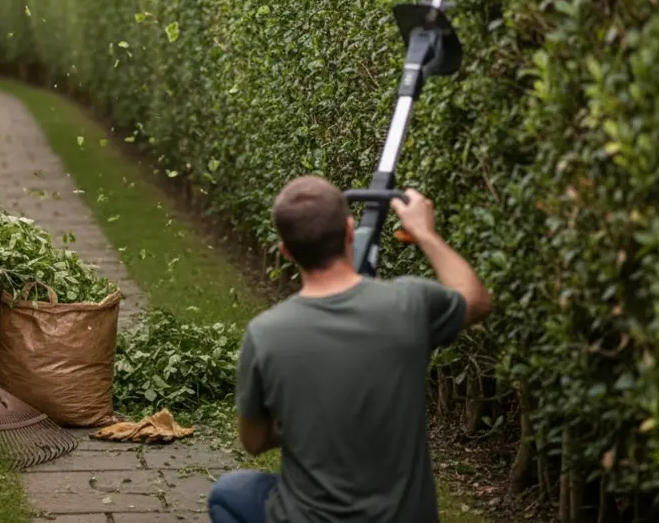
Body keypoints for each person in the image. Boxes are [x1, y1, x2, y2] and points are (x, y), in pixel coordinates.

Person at [207, 175, 492, 523]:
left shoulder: (264, 334)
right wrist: (424, 233)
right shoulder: (409, 304)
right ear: (348, 230)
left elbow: (253, 441)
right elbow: (476, 299)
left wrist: (309, 417)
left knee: (229, 494)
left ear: (286, 251)